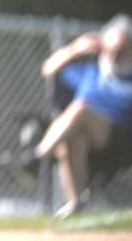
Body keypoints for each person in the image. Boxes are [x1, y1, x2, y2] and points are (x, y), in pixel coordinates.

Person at [34, 13, 132, 218]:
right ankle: (76, 203)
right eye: (110, 50)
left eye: (120, 51)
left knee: (81, 108)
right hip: (92, 140)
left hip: (123, 138)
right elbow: (48, 69)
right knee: (75, 138)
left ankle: (38, 157)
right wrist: (76, 48)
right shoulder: (91, 73)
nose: (114, 56)